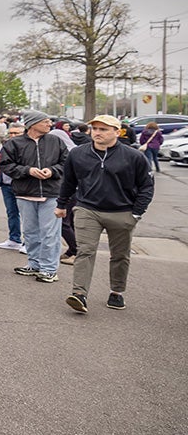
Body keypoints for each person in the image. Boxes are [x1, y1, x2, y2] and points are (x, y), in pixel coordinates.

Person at [58, 114, 154, 313]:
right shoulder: (77, 154)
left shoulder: (133, 156)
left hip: (122, 212)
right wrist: (61, 204)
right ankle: (79, 294)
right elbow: (69, 182)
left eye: (103, 129)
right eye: (95, 129)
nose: (97, 133)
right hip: (87, 209)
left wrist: (136, 213)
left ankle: (117, 292)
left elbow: (146, 186)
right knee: (85, 251)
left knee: (120, 255)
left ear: (117, 133)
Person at [0, 110, 68, 283]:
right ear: (32, 123)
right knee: (30, 233)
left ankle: (49, 269)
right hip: (25, 194)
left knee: (50, 234)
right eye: (45, 121)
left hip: (51, 194)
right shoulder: (14, 143)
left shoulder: (56, 141)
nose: (49, 124)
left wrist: (52, 171)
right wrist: (28, 171)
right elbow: (6, 165)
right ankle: (34, 264)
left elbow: (66, 162)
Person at [0, 121, 27, 252]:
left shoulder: (27, 147)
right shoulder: (5, 146)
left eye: (16, 133)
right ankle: (14, 239)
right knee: (12, 213)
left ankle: (28, 243)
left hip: (22, 185)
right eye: (11, 133)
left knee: (26, 215)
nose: (13, 135)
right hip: (7, 184)